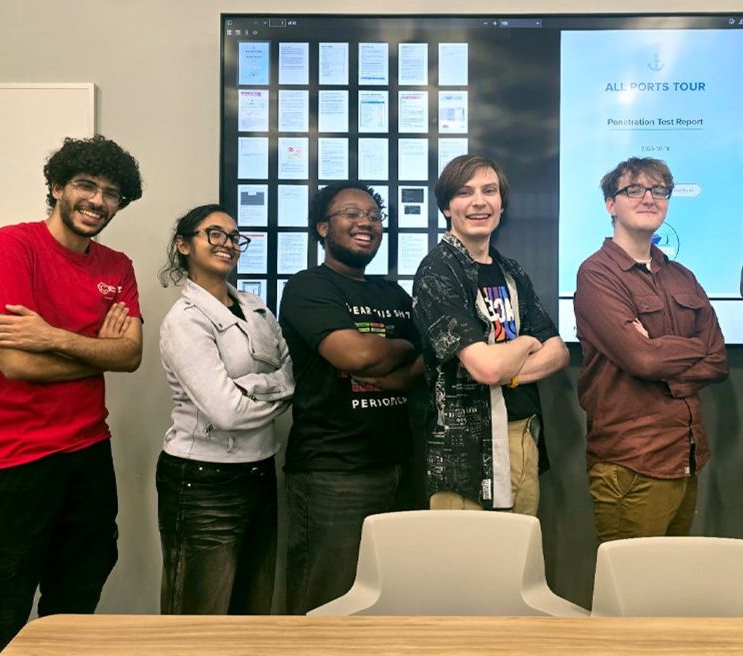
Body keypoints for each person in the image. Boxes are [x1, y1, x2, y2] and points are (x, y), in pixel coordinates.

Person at [0, 135, 144, 656]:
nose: (98, 201)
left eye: (112, 192)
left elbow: (129, 356)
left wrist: (54, 338)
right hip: (12, 457)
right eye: (86, 185)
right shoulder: (10, 247)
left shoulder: (116, 266)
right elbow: (16, 363)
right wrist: (93, 351)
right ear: (57, 186)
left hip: (87, 452)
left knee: (74, 608)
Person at [279, 181, 423, 614]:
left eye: (374, 217)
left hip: (399, 467)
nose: (366, 223)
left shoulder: (394, 294)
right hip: (332, 474)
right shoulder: (309, 286)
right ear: (323, 227)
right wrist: (401, 348)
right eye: (352, 214)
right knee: (326, 603)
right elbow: (356, 354)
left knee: (390, 602)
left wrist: (394, 370)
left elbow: (431, 361)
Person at [574, 156, 727, 543]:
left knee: (663, 592)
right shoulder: (597, 274)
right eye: (634, 190)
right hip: (632, 465)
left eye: (659, 190)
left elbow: (718, 360)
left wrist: (660, 350)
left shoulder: (682, 276)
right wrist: (685, 350)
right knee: (627, 596)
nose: (649, 198)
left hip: (686, 459)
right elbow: (641, 359)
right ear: (611, 204)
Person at [156, 204, 293, 614]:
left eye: (234, 237)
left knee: (252, 607)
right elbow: (227, 413)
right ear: (184, 245)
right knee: (199, 614)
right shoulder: (184, 321)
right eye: (214, 234)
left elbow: (291, 378)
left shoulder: (255, 307)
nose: (228, 244)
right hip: (203, 481)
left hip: (260, 469)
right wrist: (272, 390)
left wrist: (250, 388)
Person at [413, 154, 569, 513]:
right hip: (465, 452)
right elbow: (485, 368)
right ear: (447, 206)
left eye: (489, 190)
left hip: (521, 434)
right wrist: (527, 343)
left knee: (516, 561)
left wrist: (507, 371)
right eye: (465, 192)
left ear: (501, 204)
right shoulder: (438, 271)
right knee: (467, 565)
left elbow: (558, 353)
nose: (479, 201)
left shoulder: (510, 270)